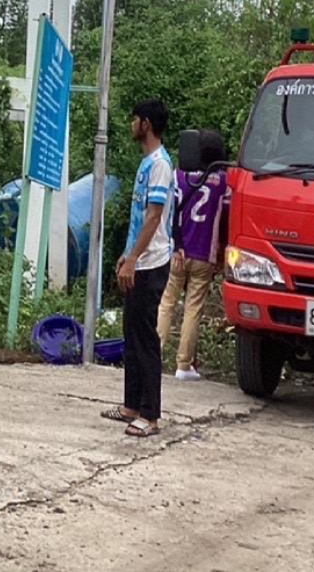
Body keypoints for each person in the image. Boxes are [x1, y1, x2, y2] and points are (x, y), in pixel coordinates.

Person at [99, 100, 175, 437]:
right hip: (138, 258)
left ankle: (150, 414)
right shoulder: (146, 163)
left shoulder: (160, 165)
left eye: (134, 119)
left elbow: (154, 216)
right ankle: (131, 403)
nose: (131, 124)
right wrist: (127, 253)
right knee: (131, 334)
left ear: (145, 124)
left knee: (145, 338)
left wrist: (134, 258)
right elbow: (138, 217)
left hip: (152, 261)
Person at [157, 132, 229, 381]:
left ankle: (154, 355)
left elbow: (167, 212)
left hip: (177, 250)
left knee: (167, 303)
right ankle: (183, 365)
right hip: (204, 253)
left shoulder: (178, 177)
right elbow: (227, 216)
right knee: (193, 309)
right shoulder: (222, 182)